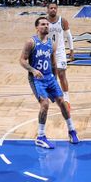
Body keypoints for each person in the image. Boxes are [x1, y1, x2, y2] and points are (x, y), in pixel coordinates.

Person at [20, 16, 80, 149]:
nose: (46, 26)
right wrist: (32, 70)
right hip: (36, 79)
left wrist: (54, 78)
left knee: (62, 103)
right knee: (45, 104)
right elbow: (22, 60)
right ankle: (40, 136)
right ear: (37, 27)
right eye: (42, 24)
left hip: (50, 78)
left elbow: (53, 63)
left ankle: (71, 130)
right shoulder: (31, 42)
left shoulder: (51, 44)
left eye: (47, 24)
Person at [46, 3, 75, 108]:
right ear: (47, 10)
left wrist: (71, 50)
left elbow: (69, 36)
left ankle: (67, 99)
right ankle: (54, 95)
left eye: (55, 8)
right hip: (47, 52)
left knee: (62, 74)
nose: (53, 10)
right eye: (51, 8)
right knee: (51, 76)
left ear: (57, 9)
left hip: (60, 52)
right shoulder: (44, 22)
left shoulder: (63, 21)